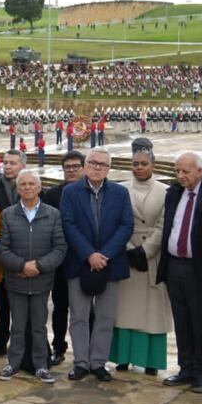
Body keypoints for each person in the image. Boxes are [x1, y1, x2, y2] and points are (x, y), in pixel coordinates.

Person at [61, 148, 133, 382]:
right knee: (79, 316)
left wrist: (104, 255)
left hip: (110, 263)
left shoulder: (120, 193)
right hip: (79, 262)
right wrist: (89, 254)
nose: (97, 167)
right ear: (85, 165)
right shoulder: (70, 192)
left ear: (109, 168)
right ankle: (81, 362)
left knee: (105, 316)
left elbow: (126, 225)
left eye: (102, 164)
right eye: (93, 162)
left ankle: (99, 362)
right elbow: (68, 224)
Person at [157, 151, 202, 394]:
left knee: (200, 321)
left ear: (199, 171)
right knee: (182, 320)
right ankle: (185, 368)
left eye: (185, 171)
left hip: (200, 269)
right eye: (177, 171)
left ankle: (201, 371)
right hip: (175, 265)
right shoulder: (174, 193)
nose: (180, 176)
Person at [0, 169, 67, 384]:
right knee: (17, 325)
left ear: (39, 187)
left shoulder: (52, 214)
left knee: (38, 325)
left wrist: (39, 266)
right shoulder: (8, 214)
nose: (27, 187)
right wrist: (21, 265)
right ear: (18, 189)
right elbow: (2, 248)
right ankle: (13, 363)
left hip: (41, 280)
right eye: (23, 184)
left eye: (31, 184)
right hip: (16, 279)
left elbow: (60, 247)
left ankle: (41, 365)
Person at [111, 143, 171, 376]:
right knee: (125, 309)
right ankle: (123, 357)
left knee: (151, 311)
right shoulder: (120, 189)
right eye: (135, 164)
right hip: (125, 254)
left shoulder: (166, 191)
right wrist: (127, 249)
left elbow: (164, 224)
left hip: (151, 257)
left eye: (144, 164)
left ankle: (150, 361)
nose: (139, 168)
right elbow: (115, 221)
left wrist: (145, 251)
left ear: (153, 165)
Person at [41, 150, 85, 366]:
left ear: (84, 168)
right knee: (59, 307)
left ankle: (86, 352)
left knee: (85, 309)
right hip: (58, 261)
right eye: (67, 167)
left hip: (83, 260)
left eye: (76, 166)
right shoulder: (50, 195)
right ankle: (59, 347)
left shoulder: (91, 192)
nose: (71, 170)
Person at [0, 149, 25, 359]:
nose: (8, 166)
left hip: (24, 253)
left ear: (22, 166)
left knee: (22, 307)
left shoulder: (30, 186)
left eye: (13, 163)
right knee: (0, 305)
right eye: (5, 163)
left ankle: (22, 346)